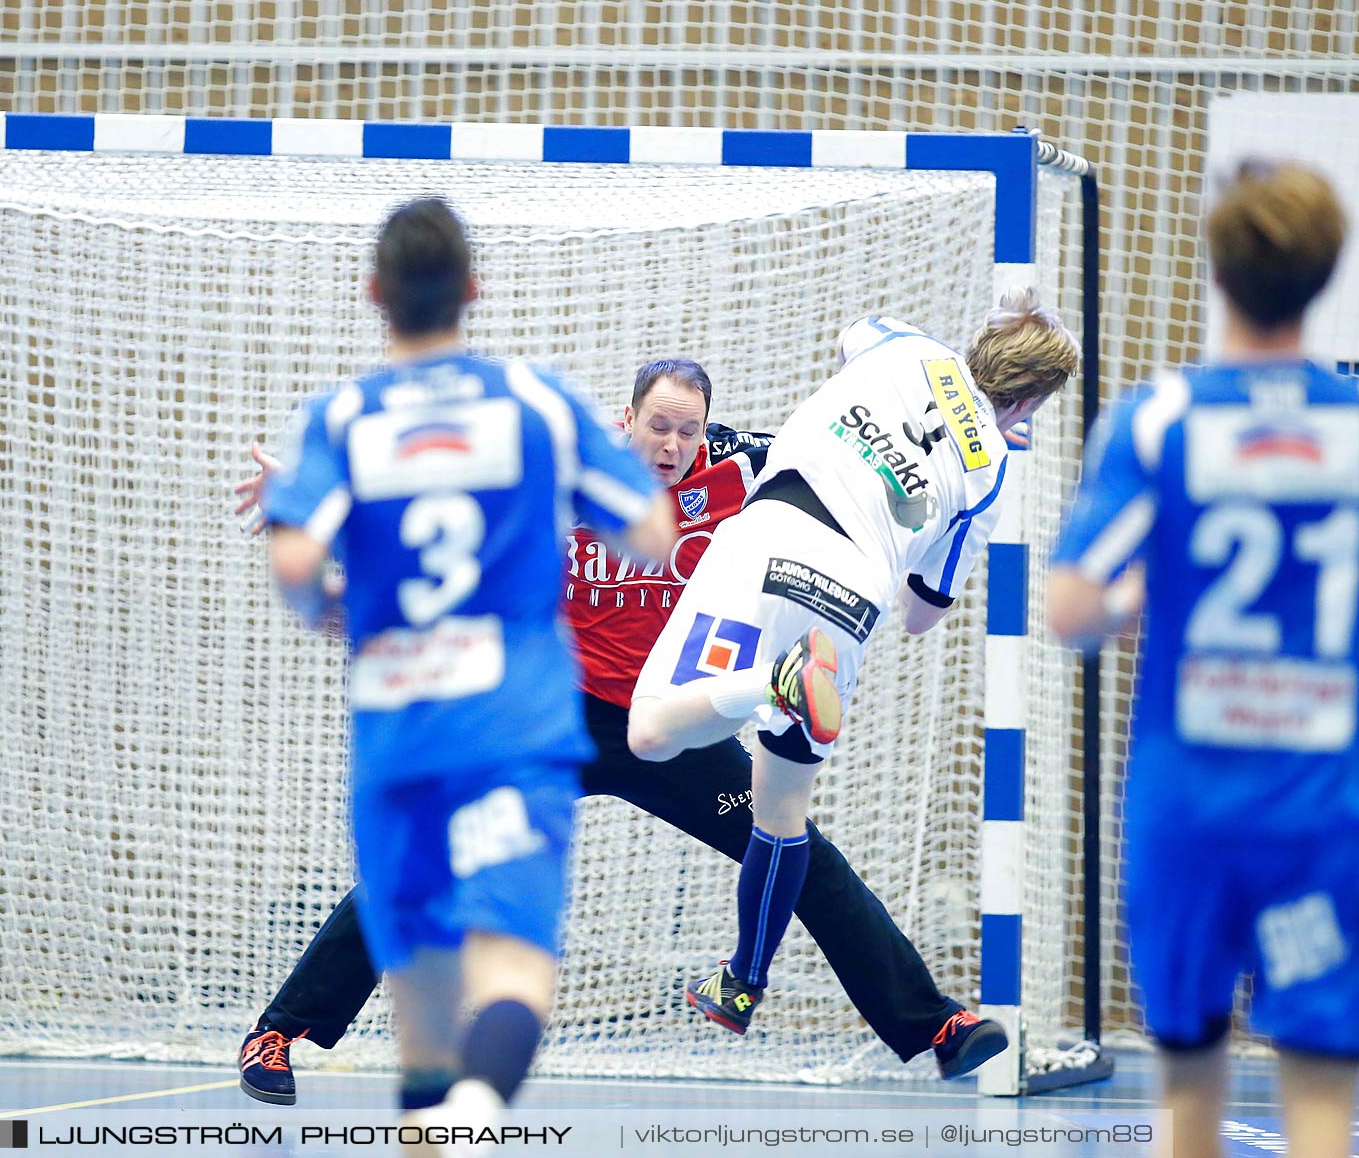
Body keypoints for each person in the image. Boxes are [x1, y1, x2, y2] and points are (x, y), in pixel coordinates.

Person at [235, 358, 1010, 1107]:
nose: (671, 448)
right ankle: (279, 1034)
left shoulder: (747, 470)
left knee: (792, 846)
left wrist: (985, 428)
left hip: (665, 719)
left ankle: (936, 1023)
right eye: (658, 428)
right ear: (627, 419)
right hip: (551, 714)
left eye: (688, 432)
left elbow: (863, 469)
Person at [1047, 159, 1359, 1158]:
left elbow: (1071, 612)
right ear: (1324, 276)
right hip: (1310, 820)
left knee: (1187, 1105)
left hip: (1184, 816)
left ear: (1217, 268)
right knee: (1321, 1118)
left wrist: (1147, 593)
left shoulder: (1157, 420)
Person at [258, 196, 675, 1140]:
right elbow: (650, 534)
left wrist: (336, 604)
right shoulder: (534, 400)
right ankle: (482, 1114)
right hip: (511, 726)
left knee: (424, 1019)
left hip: (397, 733)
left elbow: (292, 570)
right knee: (515, 969)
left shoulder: (341, 416)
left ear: (375, 295)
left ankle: (445, 1117)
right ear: (473, 292)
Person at [626, 291, 1078, 1037]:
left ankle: (768, 683)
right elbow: (924, 614)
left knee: (649, 733)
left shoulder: (904, 347)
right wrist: (978, 445)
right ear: (1027, 403)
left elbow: (849, 333)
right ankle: (743, 981)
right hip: (852, 600)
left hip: (771, 539)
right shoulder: (991, 469)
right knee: (779, 811)